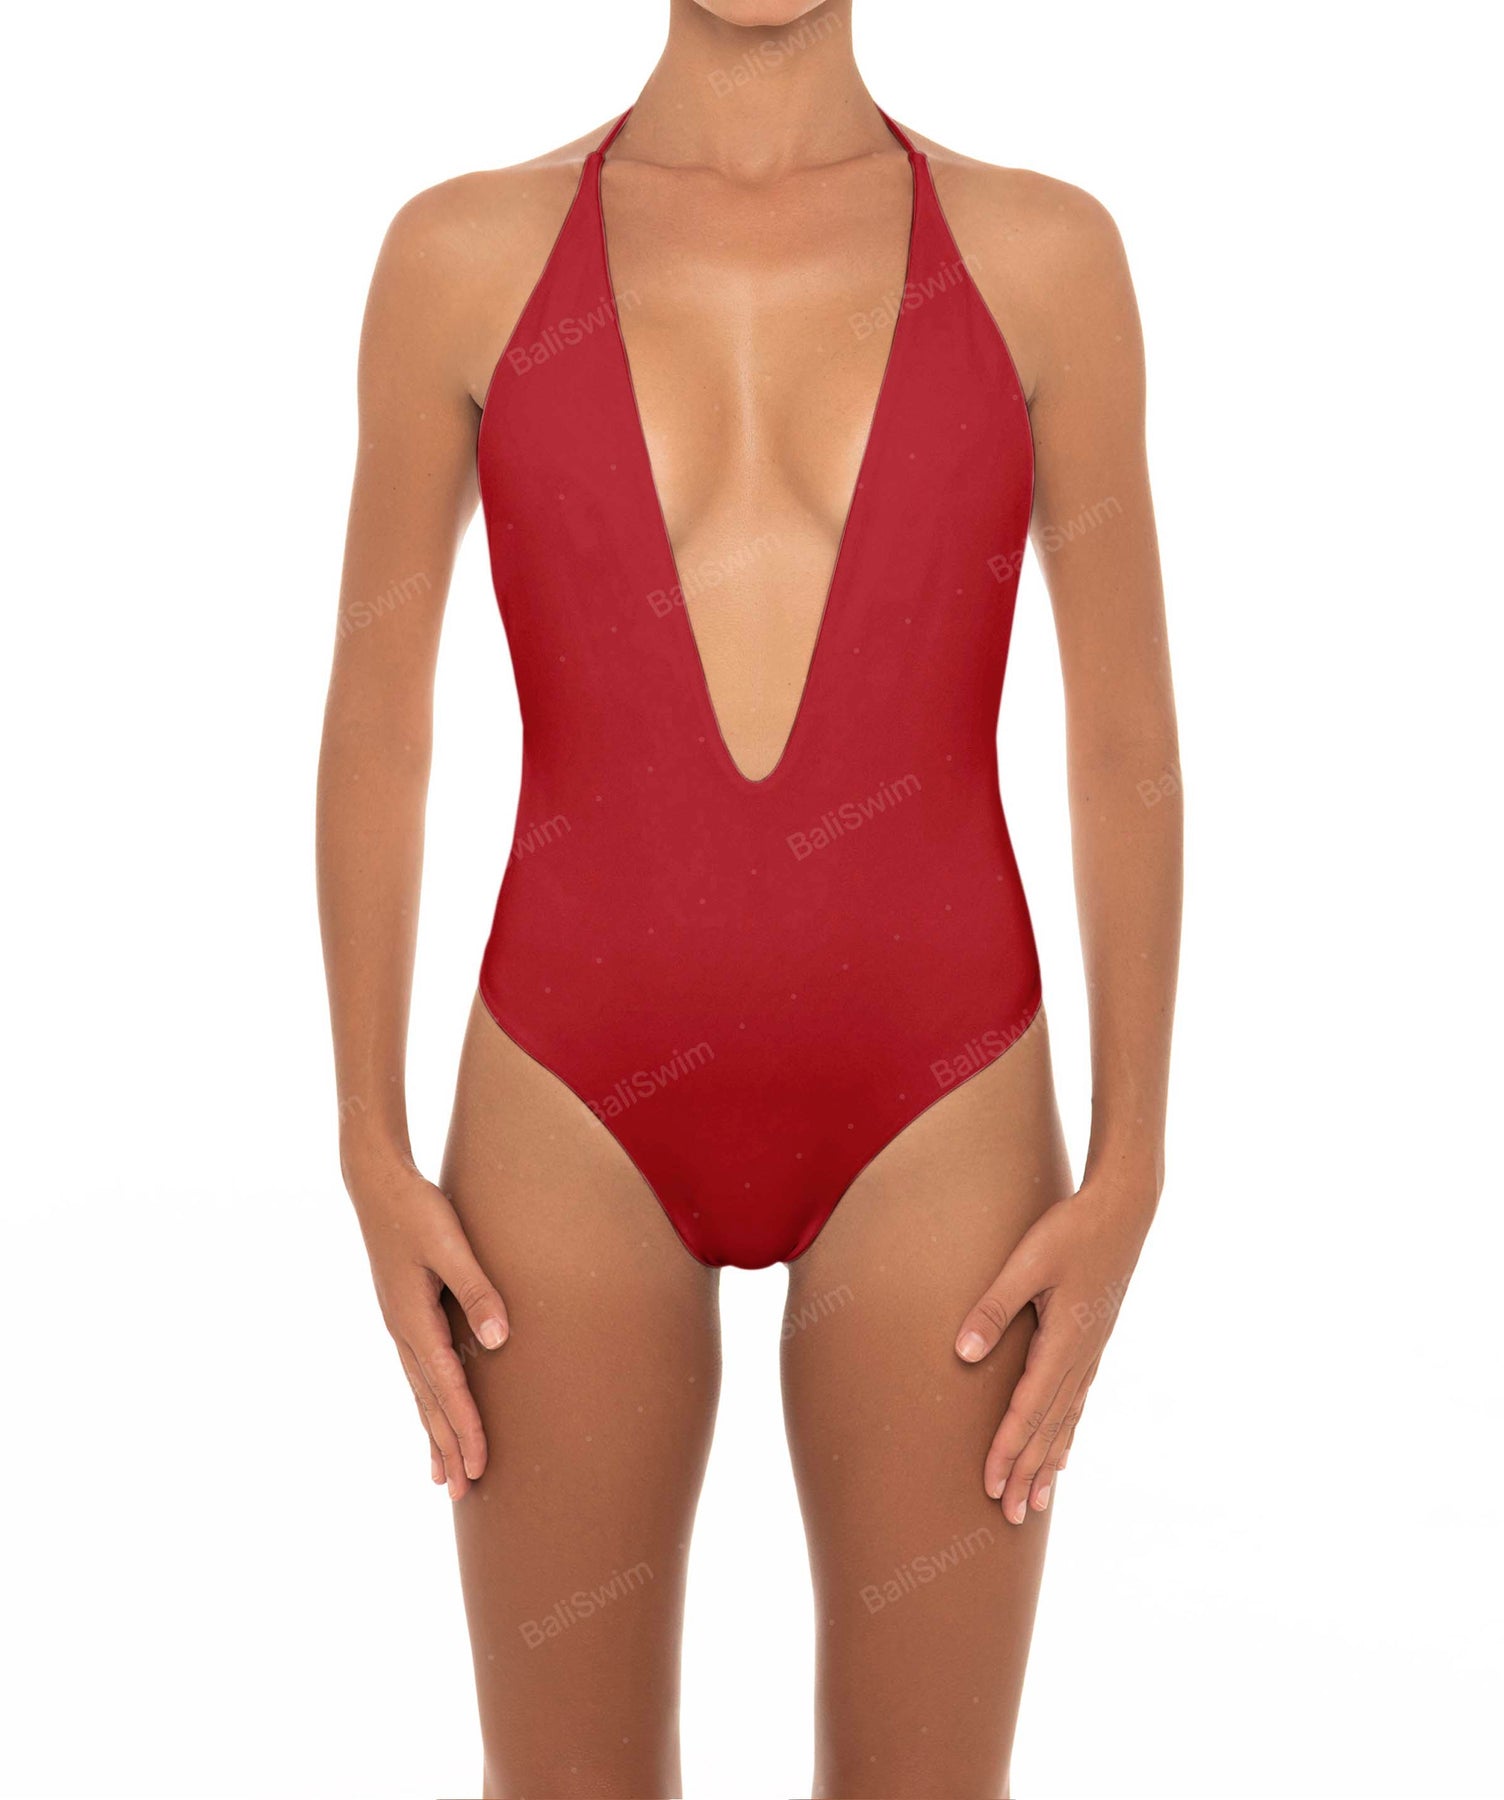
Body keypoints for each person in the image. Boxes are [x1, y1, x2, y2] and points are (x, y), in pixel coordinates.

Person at [316, 4, 1181, 1794]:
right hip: (567, 1103)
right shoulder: (459, 257)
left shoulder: (1048, 261)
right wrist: (367, 1142)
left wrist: (1134, 1165)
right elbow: (380, 719)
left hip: (940, 1105)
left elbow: (1122, 739)